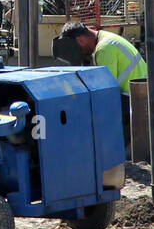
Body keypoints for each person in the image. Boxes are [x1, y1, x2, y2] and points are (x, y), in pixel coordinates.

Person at [58, 20, 147, 148]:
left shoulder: (104, 49)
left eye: (77, 48)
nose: (80, 53)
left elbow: (106, 92)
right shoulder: (107, 37)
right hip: (140, 94)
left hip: (132, 100)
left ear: (80, 40)